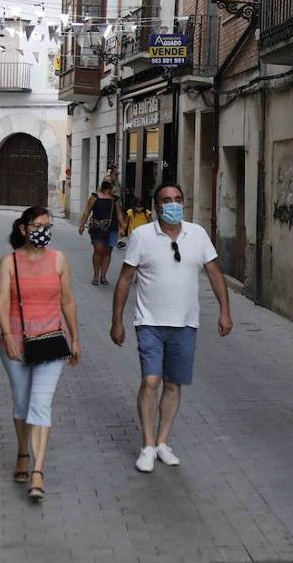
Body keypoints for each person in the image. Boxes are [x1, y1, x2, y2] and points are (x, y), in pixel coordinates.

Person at [111, 182, 232, 473]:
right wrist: (117, 321)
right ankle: (147, 445)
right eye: (167, 200)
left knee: (174, 384)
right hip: (149, 322)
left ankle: (163, 442)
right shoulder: (142, 236)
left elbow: (214, 274)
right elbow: (126, 279)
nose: (173, 204)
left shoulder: (198, 234)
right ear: (156, 206)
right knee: (151, 381)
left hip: (185, 323)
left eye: (178, 199)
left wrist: (225, 311)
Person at [0, 206, 80, 502]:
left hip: (51, 342)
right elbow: (2, 303)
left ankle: (38, 472)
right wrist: (8, 337)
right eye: (39, 225)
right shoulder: (9, 263)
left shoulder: (59, 260)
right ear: (24, 229)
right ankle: (22, 451)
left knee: (40, 404)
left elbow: (68, 302)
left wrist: (76, 338)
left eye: (49, 225)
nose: (44, 230)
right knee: (21, 404)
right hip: (16, 343)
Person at [78, 180, 125, 285]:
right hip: (97, 227)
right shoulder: (95, 197)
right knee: (98, 250)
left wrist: (122, 227)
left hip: (112, 228)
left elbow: (119, 214)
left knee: (108, 251)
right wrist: (82, 224)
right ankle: (96, 275)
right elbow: (87, 211)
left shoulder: (115, 199)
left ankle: (103, 276)